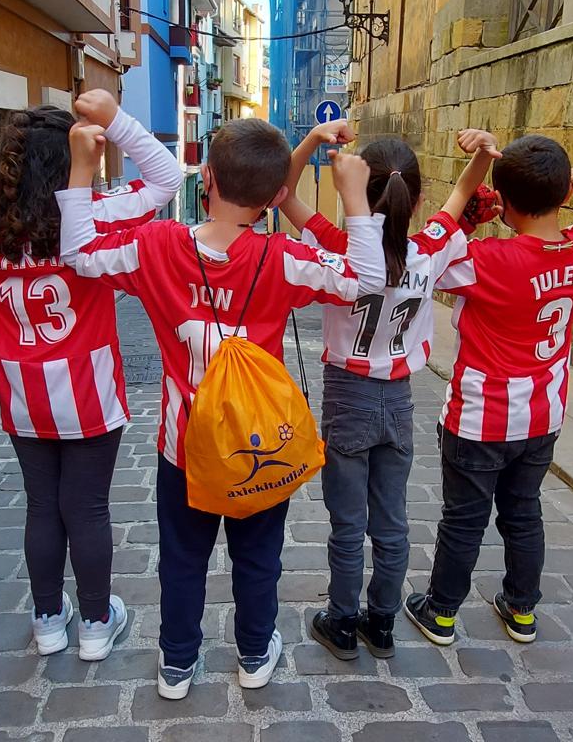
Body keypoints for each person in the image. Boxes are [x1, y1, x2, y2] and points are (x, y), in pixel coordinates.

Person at [57, 117, 387, 698]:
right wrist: (353, 196)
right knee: (258, 557)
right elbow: (365, 278)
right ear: (276, 198)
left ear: (206, 178)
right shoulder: (282, 257)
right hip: (258, 445)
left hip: (183, 444)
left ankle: (177, 664)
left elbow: (81, 253)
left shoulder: (157, 247)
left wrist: (83, 168)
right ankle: (255, 653)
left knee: (181, 558)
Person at [0, 91, 181, 661]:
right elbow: (166, 179)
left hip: (17, 389)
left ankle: (46, 621)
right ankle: (93, 622)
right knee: (86, 508)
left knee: (41, 506)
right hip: (86, 387)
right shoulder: (90, 213)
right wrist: (116, 120)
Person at [277, 121, 502, 660]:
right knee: (393, 520)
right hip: (400, 395)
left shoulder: (339, 247)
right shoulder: (431, 249)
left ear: (354, 188)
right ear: (416, 196)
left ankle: (341, 617)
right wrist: (484, 154)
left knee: (348, 524)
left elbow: (282, 192)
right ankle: (382, 621)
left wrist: (311, 141)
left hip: (347, 394)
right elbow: (465, 194)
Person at [405, 132, 573, 645]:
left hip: (482, 418)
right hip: (544, 414)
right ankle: (522, 608)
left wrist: (467, 215)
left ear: (503, 200)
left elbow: (426, 258)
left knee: (464, 520)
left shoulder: (489, 260)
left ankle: (441, 612)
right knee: (524, 512)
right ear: (565, 196)